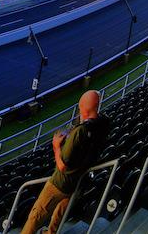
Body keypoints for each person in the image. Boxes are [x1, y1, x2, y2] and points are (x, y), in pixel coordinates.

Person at [22, 90, 110, 234]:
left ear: (82, 108)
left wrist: (56, 146)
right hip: (77, 183)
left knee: (35, 216)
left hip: (60, 184)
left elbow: (63, 166)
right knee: (57, 216)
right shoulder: (104, 124)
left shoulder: (79, 132)